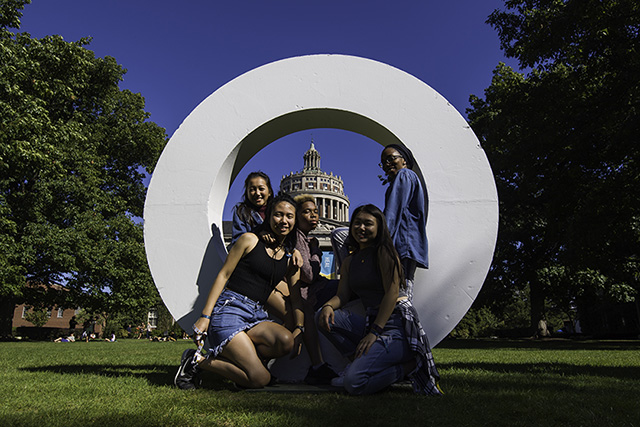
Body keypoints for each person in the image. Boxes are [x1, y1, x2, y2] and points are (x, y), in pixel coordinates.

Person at [175, 193, 305, 390]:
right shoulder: (249, 240)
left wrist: (300, 329)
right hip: (230, 310)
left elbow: (295, 300)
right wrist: (205, 316)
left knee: (286, 341)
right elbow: (223, 275)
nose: (283, 221)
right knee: (260, 380)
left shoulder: (290, 258)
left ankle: (246, 367)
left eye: (289, 216)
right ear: (269, 215)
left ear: (295, 221)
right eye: (278, 215)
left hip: (256, 316)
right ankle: (196, 360)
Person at [319, 204, 441, 396]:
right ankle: (357, 363)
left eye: (368, 224)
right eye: (357, 223)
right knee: (323, 316)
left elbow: (392, 293)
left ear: (379, 227)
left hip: (396, 324)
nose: (361, 228)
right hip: (371, 321)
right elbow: (342, 295)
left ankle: (408, 367)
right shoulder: (350, 261)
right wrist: (327, 306)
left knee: (354, 384)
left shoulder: (384, 252)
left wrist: (375, 332)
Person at [378, 144, 428, 301]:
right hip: (405, 244)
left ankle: (411, 325)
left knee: (402, 295)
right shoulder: (404, 179)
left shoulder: (405, 175)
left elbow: (392, 213)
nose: (387, 164)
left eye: (391, 158)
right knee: (402, 292)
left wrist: (379, 241)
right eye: (383, 162)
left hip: (402, 244)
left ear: (404, 160)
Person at [230, 171, 274, 247]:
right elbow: (238, 241)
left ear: (269, 191)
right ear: (247, 192)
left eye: (261, 189)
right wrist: (258, 235)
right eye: (252, 189)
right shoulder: (241, 211)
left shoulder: (276, 210)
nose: (257, 193)